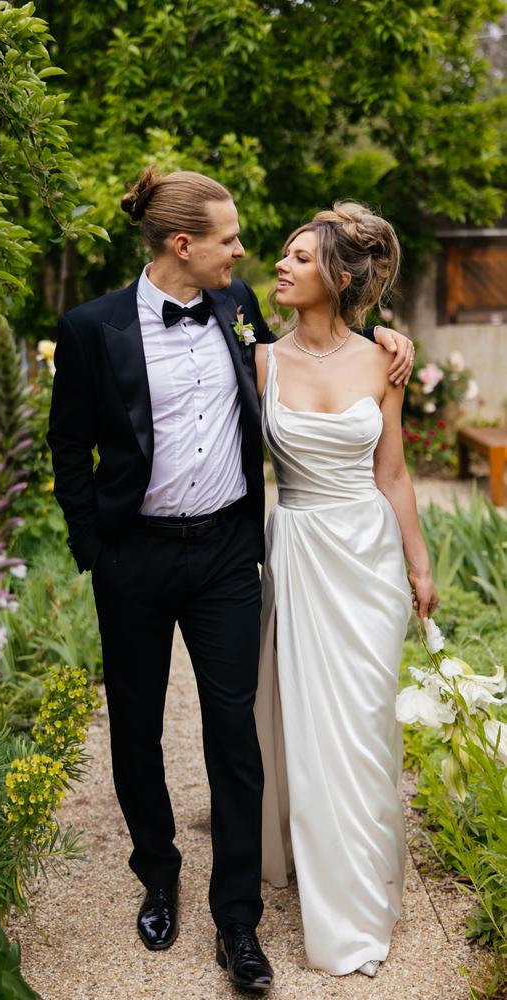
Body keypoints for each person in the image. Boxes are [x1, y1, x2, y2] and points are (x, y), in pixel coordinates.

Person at [47, 169, 415, 992]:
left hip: (225, 557)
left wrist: (390, 339)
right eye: (230, 238)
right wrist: (92, 547)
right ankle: (157, 872)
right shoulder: (90, 329)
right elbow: (68, 447)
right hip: (132, 558)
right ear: (185, 244)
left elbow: (327, 347)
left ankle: (238, 920)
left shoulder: (238, 307)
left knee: (234, 734)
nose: (243, 251)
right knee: (136, 728)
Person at [253, 201, 438, 979]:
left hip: (365, 558)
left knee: (364, 729)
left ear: (337, 274)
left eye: (298, 257)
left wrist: (418, 565)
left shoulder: (382, 361)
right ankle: (323, 893)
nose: (281, 267)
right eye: (283, 256)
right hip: (297, 552)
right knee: (307, 725)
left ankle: (367, 890)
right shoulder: (257, 358)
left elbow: (390, 473)